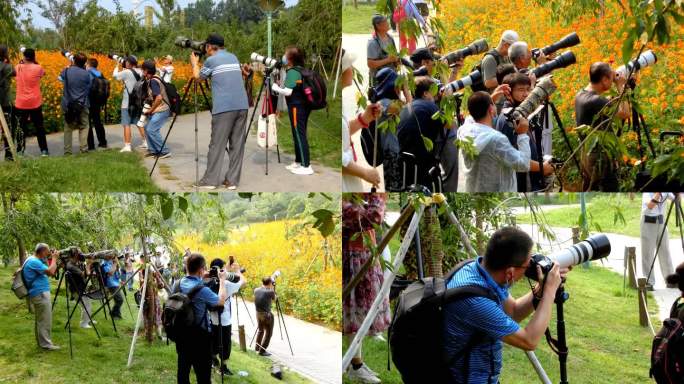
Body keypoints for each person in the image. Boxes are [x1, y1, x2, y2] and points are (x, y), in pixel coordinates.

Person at [443, 227, 569, 383]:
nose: (530, 267)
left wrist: (542, 288)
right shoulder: (476, 302)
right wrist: (549, 292)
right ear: (510, 272)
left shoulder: (478, 270)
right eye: (527, 264)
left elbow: (513, 312)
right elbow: (529, 340)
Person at [190, 33, 249, 190]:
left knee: (217, 144)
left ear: (209, 47)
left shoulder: (211, 60)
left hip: (224, 108)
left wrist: (194, 63)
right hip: (242, 106)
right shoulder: (233, 57)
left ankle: (210, 181)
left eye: (206, 46)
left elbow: (197, 78)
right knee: (237, 144)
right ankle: (232, 181)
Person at [343, 194, 389, 384]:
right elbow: (373, 217)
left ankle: (355, 363)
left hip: (364, 254)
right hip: (352, 259)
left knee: (359, 314)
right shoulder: (342, 203)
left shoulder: (352, 194)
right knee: (352, 313)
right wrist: (376, 193)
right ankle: (355, 365)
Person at [457, 91, 531, 192]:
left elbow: (471, 117)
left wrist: (488, 99)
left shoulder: (463, 130)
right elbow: (523, 165)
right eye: (494, 104)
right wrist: (522, 134)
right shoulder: (496, 139)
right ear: (491, 109)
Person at [574, 62, 630, 191]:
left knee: (591, 189)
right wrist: (621, 85)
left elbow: (600, 107)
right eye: (611, 78)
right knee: (609, 191)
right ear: (604, 79)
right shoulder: (597, 101)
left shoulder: (581, 94)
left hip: (586, 153)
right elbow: (626, 113)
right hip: (599, 157)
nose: (613, 80)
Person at [495, 73, 554, 191]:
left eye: (528, 89)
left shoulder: (522, 113)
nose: (526, 94)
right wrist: (542, 168)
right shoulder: (509, 119)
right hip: (521, 181)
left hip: (529, 176)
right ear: (508, 93)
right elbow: (515, 159)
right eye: (521, 90)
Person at [176, 253, 229, 384]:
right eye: (204, 269)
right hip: (200, 339)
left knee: (183, 373)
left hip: (181, 336)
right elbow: (221, 301)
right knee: (203, 377)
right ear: (201, 269)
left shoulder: (177, 284)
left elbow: (192, 282)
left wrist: (202, 276)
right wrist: (222, 280)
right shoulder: (203, 291)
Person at [397, 76, 449, 191]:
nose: (435, 96)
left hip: (405, 163)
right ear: (425, 93)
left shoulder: (407, 107)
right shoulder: (429, 106)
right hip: (423, 164)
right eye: (433, 92)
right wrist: (447, 100)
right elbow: (448, 125)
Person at [271, 46, 315, 176]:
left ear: (290, 59)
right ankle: (298, 161)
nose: (283, 57)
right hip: (302, 106)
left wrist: (275, 87)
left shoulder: (292, 72)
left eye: (285, 55)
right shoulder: (300, 70)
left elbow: (288, 92)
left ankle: (306, 165)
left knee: (299, 134)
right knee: (297, 133)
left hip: (297, 107)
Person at [208, 258, 245, 375]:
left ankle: (213, 360)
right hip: (224, 321)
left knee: (214, 341)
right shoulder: (227, 284)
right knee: (225, 344)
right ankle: (223, 367)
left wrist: (226, 270)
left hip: (212, 319)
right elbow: (243, 282)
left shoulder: (208, 282)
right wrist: (238, 270)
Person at [22, 243, 60, 350]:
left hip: (38, 293)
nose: (48, 253)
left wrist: (54, 261)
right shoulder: (34, 261)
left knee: (41, 319)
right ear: (42, 251)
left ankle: (42, 343)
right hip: (40, 293)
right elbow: (51, 271)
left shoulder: (32, 259)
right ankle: (46, 344)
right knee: (45, 319)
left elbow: (48, 271)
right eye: (47, 251)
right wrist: (54, 258)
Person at [15, 48, 49, 156]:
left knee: (21, 128)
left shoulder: (18, 67)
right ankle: (44, 150)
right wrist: (35, 62)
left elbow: (15, 71)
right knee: (39, 127)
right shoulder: (38, 67)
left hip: (21, 103)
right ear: (34, 57)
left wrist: (21, 62)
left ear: (24, 56)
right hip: (35, 102)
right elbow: (43, 74)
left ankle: (20, 151)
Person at [641, 193, 677, 290]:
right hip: (648, 222)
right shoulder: (647, 193)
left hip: (661, 222)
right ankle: (649, 282)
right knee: (648, 253)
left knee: (665, 251)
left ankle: (671, 280)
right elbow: (650, 206)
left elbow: (675, 199)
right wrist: (658, 193)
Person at [59, 52, 91, 155]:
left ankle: (67, 151)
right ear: (84, 63)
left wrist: (68, 67)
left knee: (68, 127)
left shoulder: (67, 70)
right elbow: (89, 85)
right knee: (84, 126)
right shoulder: (86, 73)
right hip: (83, 104)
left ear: (74, 60)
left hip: (68, 103)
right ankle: (83, 149)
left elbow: (59, 78)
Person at [113, 56, 146, 152]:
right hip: (138, 102)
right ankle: (146, 142)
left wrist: (117, 65)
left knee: (126, 124)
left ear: (128, 63)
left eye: (126, 61)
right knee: (139, 123)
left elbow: (115, 76)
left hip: (127, 103)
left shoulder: (127, 72)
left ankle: (127, 146)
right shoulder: (140, 71)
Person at [140, 59, 171, 159]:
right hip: (159, 108)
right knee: (146, 127)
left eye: (143, 70)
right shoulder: (154, 77)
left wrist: (151, 110)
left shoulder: (153, 80)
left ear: (146, 71)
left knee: (151, 129)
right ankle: (154, 150)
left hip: (163, 109)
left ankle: (164, 151)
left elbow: (158, 98)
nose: (142, 71)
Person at [65, 249, 94, 329]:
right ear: (75, 255)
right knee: (86, 305)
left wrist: (87, 265)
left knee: (88, 303)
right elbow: (84, 274)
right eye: (80, 253)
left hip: (80, 288)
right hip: (77, 290)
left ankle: (87, 320)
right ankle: (83, 323)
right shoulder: (71, 266)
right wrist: (89, 264)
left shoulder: (75, 263)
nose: (82, 254)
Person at [85, 58, 108, 150]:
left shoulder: (88, 73)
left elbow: (88, 87)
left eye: (86, 64)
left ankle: (91, 145)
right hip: (98, 101)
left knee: (88, 123)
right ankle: (103, 142)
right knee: (98, 122)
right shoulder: (100, 73)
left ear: (89, 65)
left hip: (89, 101)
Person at [0, 44, 16, 160]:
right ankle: (8, 154)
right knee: (7, 128)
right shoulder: (6, 67)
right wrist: (8, 60)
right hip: (5, 101)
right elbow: (15, 72)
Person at [254, 276, 276, 356]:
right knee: (268, 333)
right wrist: (273, 287)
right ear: (270, 283)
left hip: (258, 314)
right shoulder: (270, 292)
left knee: (260, 331)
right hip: (267, 315)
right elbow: (275, 299)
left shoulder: (256, 290)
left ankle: (257, 347)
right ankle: (262, 351)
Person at [102, 254, 124, 320]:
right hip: (111, 284)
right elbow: (110, 273)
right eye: (113, 256)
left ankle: (117, 315)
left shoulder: (111, 263)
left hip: (116, 283)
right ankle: (113, 313)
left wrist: (120, 280)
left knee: (117, 300)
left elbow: (116, 274)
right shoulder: (104, 264)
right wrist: (115, 264)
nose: (114, 258)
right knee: (120, 299)